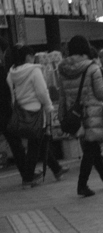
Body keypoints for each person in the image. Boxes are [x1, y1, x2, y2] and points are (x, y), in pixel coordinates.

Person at [56, 36, 103, 196]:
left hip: (75, 114)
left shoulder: (62, 69)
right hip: (92, 113)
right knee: (90, 149)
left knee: (92, 146)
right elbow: (100, 93)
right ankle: (82, 185)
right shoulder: (92, 68)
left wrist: (61, 114)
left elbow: (62, 95)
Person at [6, 46, 61, 187]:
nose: (33, 58)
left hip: (21, 112)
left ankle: (56, 168)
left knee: (39, 142)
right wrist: (49, 106)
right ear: (27, 57)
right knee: (35, 146)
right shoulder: (34, 70)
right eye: (31, 55)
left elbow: (12, 95)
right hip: (35, 112)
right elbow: (42, 92)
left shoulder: (11, 73)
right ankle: (28, 178)